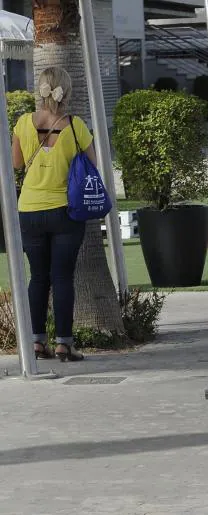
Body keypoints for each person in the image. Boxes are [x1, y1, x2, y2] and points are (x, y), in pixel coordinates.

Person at [11, 66, 96, 362]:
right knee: (62, 277)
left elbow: (17, 164)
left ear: (41, 89)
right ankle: (64, 343)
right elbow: (92, 167)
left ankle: (36, 342)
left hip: (30, 211)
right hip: (65, 212)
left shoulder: (23, 123)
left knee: (38, 277)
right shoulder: (75, 126)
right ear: (66, 92)